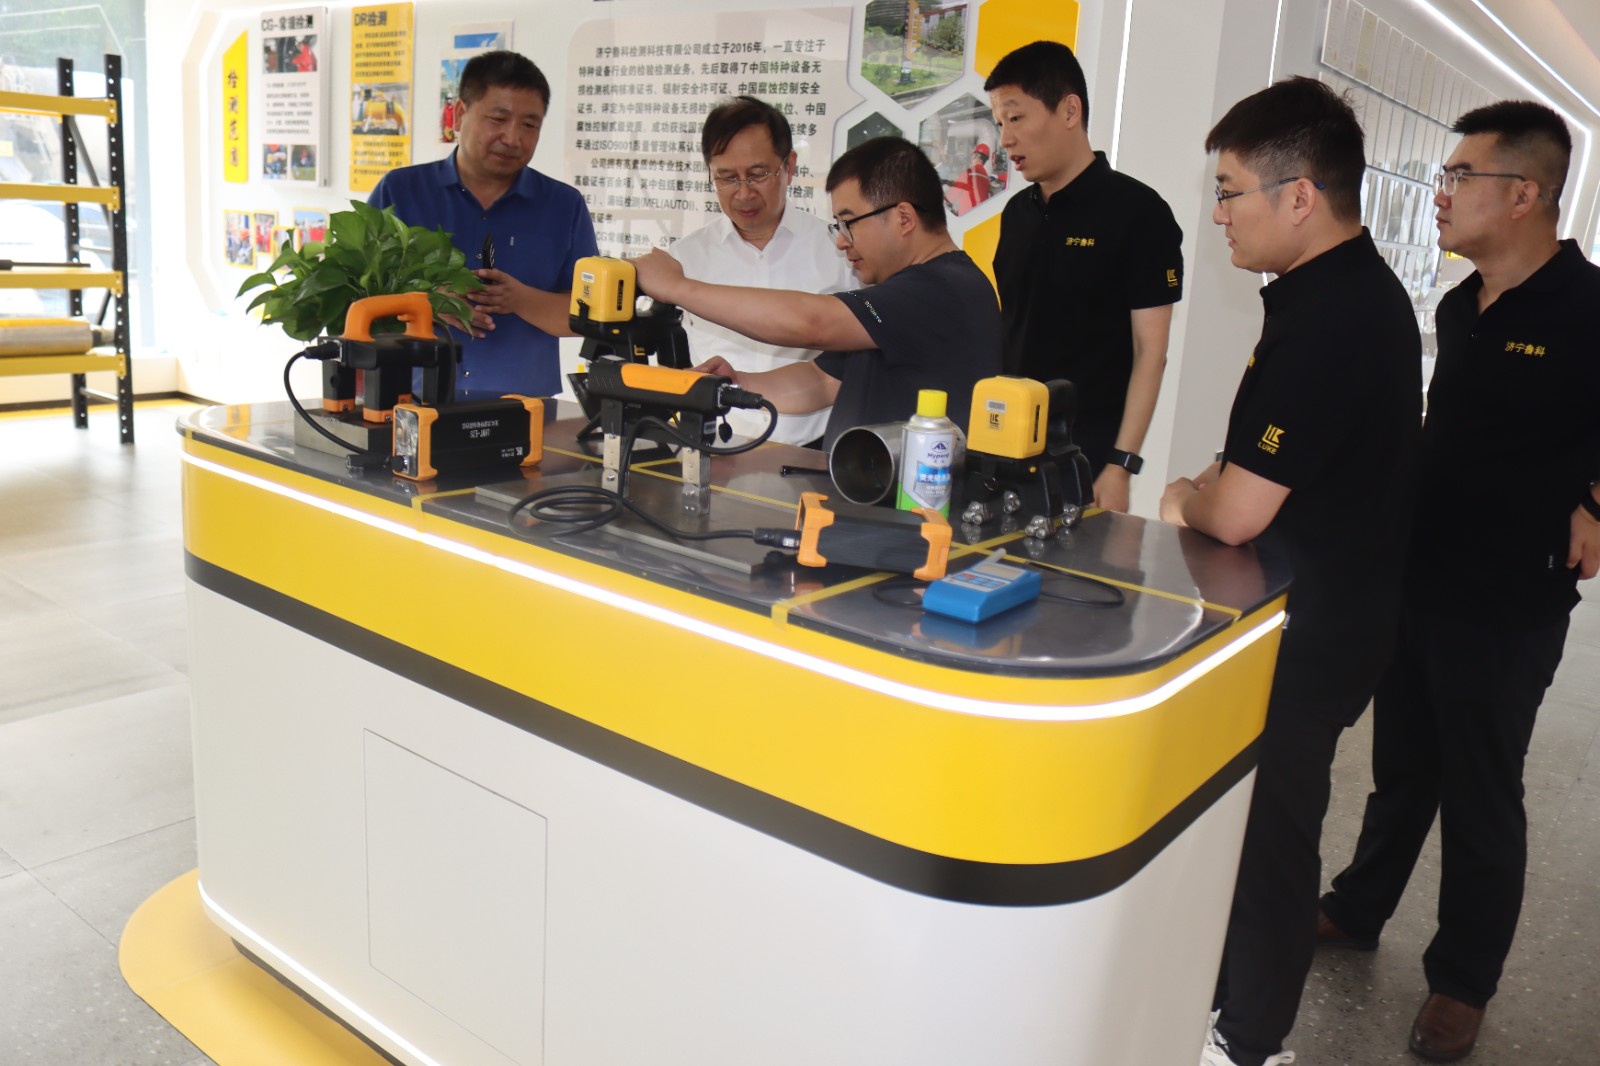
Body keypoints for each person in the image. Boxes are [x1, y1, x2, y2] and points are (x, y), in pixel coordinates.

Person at [1317, 100, 1600, 1063]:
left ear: (1524, 194)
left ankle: (1461, 984)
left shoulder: (1589, 309)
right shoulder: (1457, 304)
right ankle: (1359, 907)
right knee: (1403, 768)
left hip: (1512, 595)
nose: (1440, 194)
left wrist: (1595, 503)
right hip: (1422, 573)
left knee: (1482, 789)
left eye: (1459, 177)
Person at [1157, 77, 1422, 1066]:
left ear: (1299, 195)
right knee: (1251, 830)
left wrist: (1181, 498)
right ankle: (1229, 1007)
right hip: (1317, 611)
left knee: (1271, 841)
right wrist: (1215, 483)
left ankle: (1251, 1042)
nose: (1219, 214)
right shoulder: (1333, 295)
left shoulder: (1333, 316)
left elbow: (1235, 509)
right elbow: (1262, 464)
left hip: (1310, 631)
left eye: (1230, 192)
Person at [632, 136, 1000, 449]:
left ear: (903, 218)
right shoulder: (899, 294)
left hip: (916, 505)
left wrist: (677, 287)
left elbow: (813, 322)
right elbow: (823, 382)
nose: (841, 241)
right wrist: (735, 384)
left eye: (848, 222)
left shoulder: (943, 289)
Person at [985, 40, 1183, 513]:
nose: (1005, 139)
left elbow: (1150, 352)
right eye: (999, 124)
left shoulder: (1139, 212)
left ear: (1070, 110)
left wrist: (1121, 464)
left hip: (1086, 460)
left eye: (1016, 118)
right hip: (1004, 448)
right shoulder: (1016, 214)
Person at [369, 50, 597, 397]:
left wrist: (520, 299)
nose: (513, 138)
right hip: (410, 402)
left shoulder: (564, 205)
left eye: (529, 125)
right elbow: (356, 295)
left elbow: (587, 314)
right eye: (498, 119)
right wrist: (423, 302)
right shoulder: (400, 191)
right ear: (461, 114)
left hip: (525, 408)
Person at [670, 95, 854, 446]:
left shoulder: (841, 252)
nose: (743, 193)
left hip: (813, 450)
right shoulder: (683, 259)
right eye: (727, 178)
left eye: (758, 175)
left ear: (790, 166)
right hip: (711, 448)